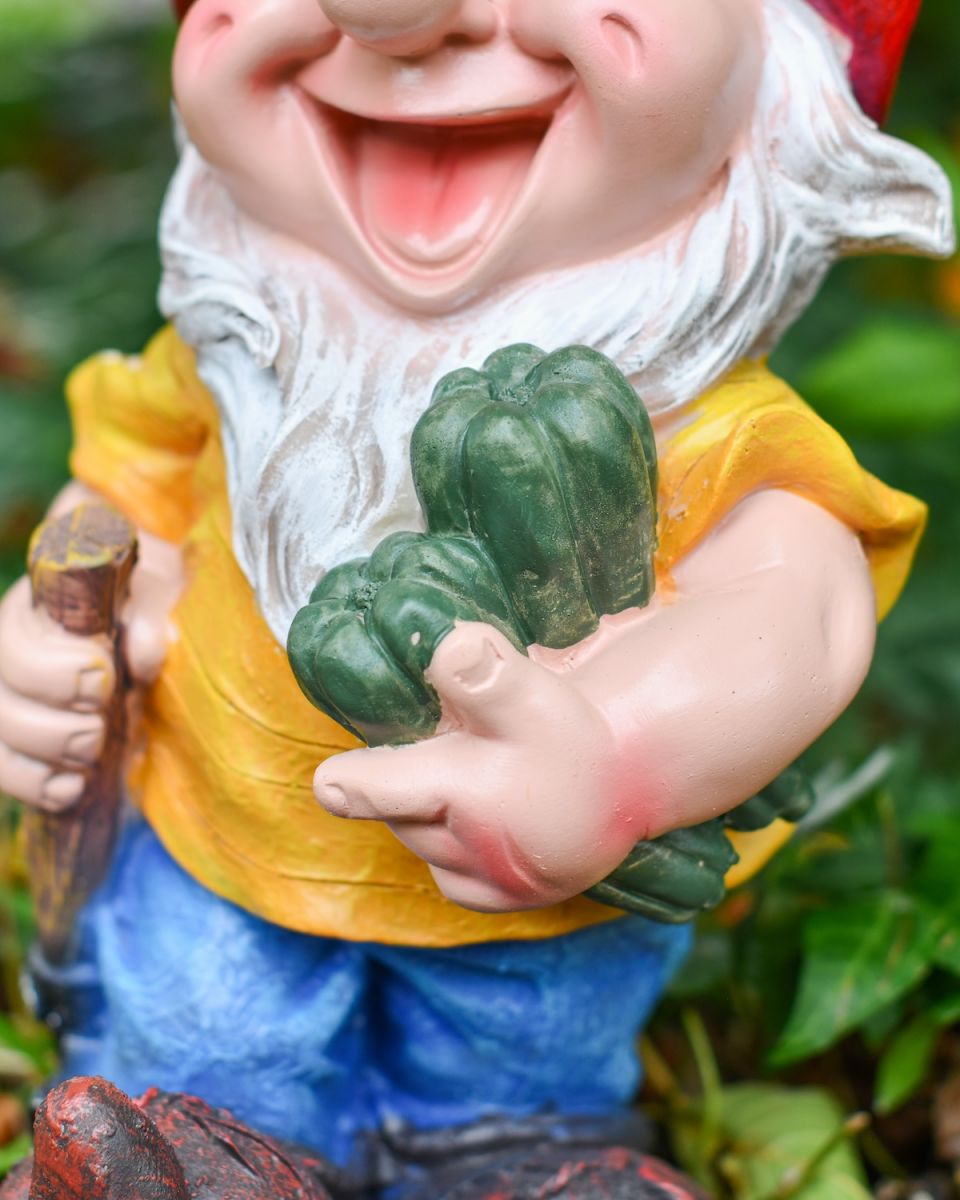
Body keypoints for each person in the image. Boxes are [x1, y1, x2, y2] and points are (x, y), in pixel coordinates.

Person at [0, 0, 953, 1194]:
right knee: (211, 1033)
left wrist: (619, 756)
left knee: (514, 1075)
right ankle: (204, 1157)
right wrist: (55, 635)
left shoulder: (700, 425)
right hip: (218, 866)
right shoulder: (226, 353)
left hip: (532, 925)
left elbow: (797, 611)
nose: (388, 20)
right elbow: (121, 501)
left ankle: (516, 1166)